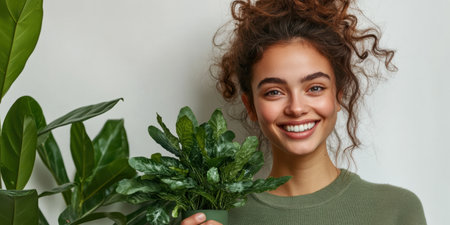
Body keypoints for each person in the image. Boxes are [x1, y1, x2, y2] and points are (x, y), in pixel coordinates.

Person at [182, 0, 427, 224]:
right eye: (274, 92)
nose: (296, 108)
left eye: (315, 88)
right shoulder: (213, 214)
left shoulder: (396, 211)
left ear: (338, 95)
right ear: (251, 107)